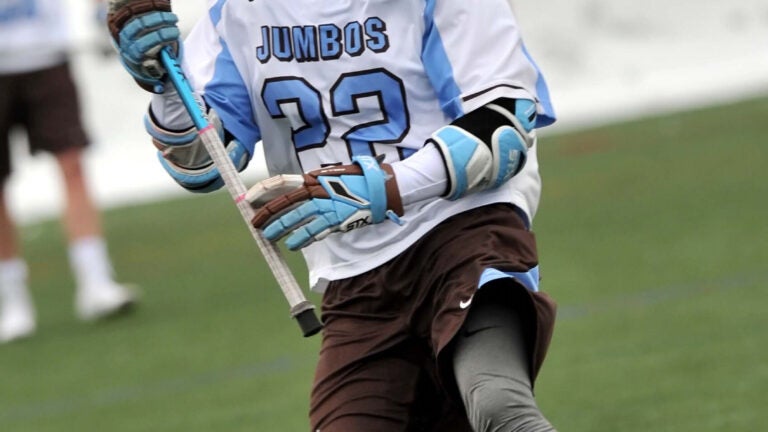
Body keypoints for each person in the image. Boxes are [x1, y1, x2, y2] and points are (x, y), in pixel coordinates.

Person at [109, 0, 558, 430]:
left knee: (499, 405)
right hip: (355, 279)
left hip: (462, 233)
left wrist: (379, 189)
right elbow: (203, 162)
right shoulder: (237, 11)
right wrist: (164, 83)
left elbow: (502, 129)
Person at [0, 0, 137, 343]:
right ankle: (12, 300)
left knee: (73, 164)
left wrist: (104, 15)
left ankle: (96, 283)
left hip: (47, 52)